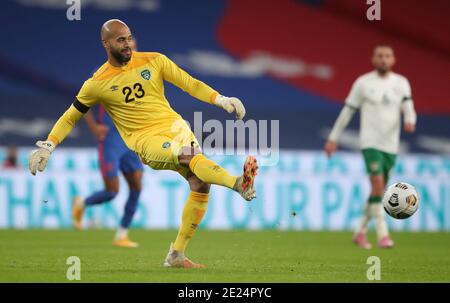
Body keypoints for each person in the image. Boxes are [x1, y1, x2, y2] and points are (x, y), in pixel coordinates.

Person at [28, 19, 258, 268]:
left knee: (200, 183)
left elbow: (189, 84)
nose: (127, 44)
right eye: (120, 40)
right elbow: (71, 116)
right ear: (106, 44)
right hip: (148, 140)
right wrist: (48, 145)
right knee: (189, 157)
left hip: (177, 128)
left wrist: (221, 99)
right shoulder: (96, 84)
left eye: (129, 38)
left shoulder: (154, 60)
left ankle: (176, 255)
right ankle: (237, 183)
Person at [324, 45, 417, 249]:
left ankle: (360, 231)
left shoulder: (401, 83)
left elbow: (408, 106)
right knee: (377, 184)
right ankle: (383, 234)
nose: (384, 59)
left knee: (379, 189)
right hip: (370, 142)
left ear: (393, 60)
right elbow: (347, 111)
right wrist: (333, 138)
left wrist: (410, 119)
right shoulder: (363, 83)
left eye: (387, 56)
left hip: (391, 145)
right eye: (380, 56)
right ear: (373, 59)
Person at [72, 107, 143, 248]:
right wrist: (94, 128)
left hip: (130, 138)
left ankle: (121, 236)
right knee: (112, 191)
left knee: (136, 187)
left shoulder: (140, 85)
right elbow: (81, 102)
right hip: (110, 140)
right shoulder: (103, 85)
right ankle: (81, 204)